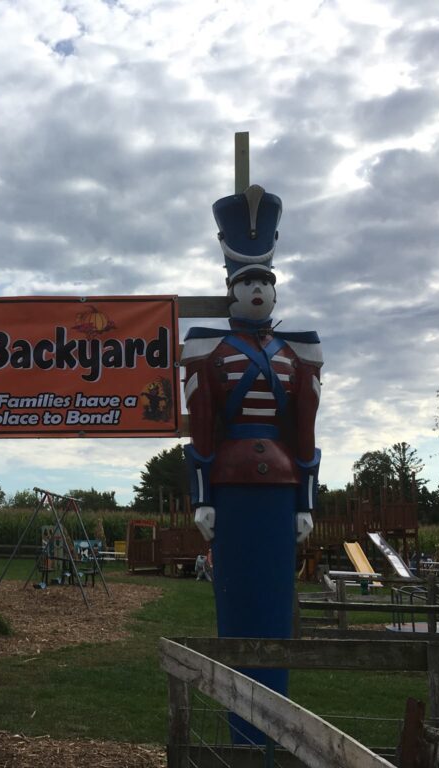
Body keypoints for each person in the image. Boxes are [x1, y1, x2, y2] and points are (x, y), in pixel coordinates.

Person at [182, 184, 322, 744]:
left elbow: (306, 432)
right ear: (231, 289)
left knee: (273, 603)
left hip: (282, 486)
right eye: (248, 281)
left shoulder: (297, 353)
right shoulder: (209, 350)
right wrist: (202, 496)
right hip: (232, 485)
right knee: (238, 605)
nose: (258, 289)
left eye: (265, 280)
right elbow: (201, 427)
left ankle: (273, 730)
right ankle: (244, 731)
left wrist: (306, 502)